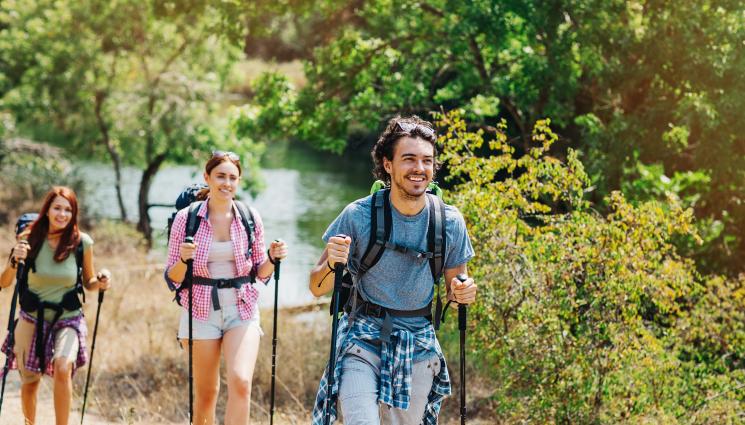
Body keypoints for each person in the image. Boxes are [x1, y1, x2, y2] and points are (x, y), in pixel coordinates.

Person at [309, 116, 478, 424]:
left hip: (418, 342)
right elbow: (316, 287)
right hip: (362, 338)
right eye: (409, 159)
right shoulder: (359, 215)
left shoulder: (449, 222)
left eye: (427, 161)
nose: (419, 168)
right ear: (388, 164)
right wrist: (333, 262)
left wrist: (464, 291)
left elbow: (458, 284)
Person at [164, 151, 288, 425]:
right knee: (207, 394)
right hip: (200, 310)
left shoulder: (249, 216)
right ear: (207, 177)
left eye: (233, 177)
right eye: (220, 176)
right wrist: (185, 259)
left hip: (241, 309)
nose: (226, 183)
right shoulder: (187, 219)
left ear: (239, 181)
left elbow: (260, 272)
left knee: (241, 382)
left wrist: (272, 257)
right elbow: (172, 277)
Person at [0, 186, 112, 425]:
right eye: (57, 208)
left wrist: (101, 281)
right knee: (30, 382)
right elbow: (4, 282)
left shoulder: (82, 242)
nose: (62, 214)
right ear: (47, 210)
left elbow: (89, 282)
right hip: (31, 317)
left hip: (68, 317)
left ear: (74, 213)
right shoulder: (28, 239)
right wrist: (13, 260)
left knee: (62, 367)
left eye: (68, 210)